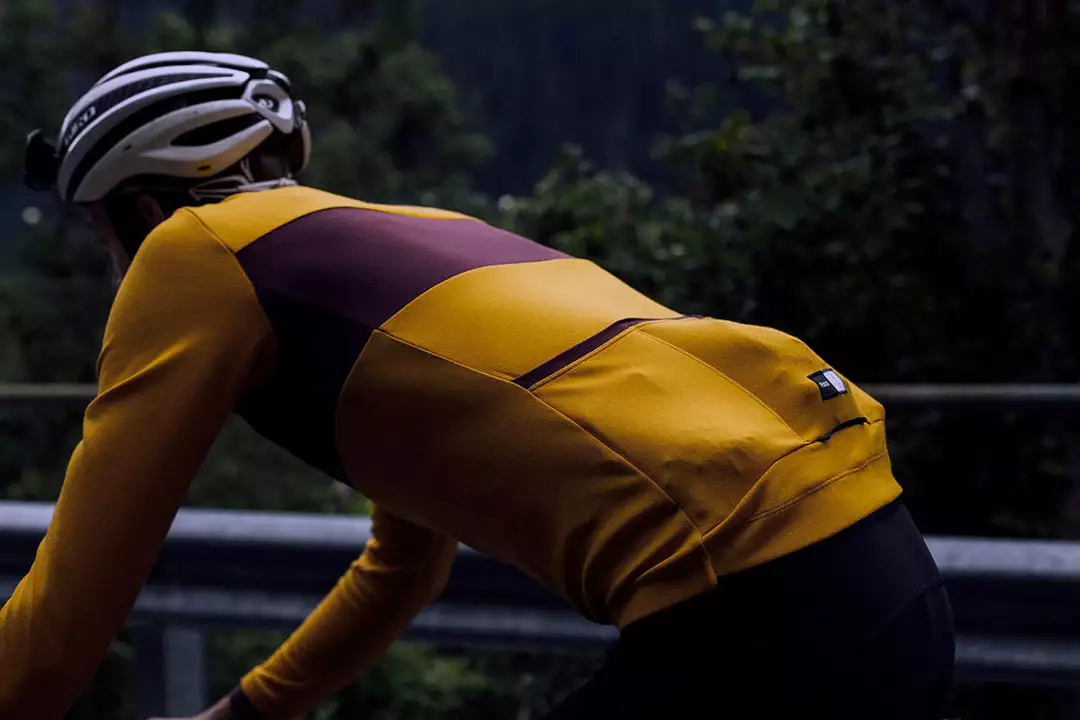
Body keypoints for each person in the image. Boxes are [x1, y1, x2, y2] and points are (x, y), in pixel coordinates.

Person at [2, 51, 955, 720]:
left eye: (101, 237)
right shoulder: (410, 239)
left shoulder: (191, 253)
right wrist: (250, 712)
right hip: (883, 569)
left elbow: (58, 635)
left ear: (140, 207)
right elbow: (405, 565)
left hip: (751, 603)